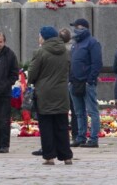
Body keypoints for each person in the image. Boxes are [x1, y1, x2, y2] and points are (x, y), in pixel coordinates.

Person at [28, 26, 73, 165]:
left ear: (44, 37)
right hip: (61, 93)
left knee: (46, 126)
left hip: (45, 94)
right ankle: (67, 156)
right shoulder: (65, 52)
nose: (38, 38)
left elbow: (32, 74)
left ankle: (49, 156)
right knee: (62, 125)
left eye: (40, 35)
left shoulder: (40, 52)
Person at [69, 18, 102, 148]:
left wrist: (90, 80)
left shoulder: (92, 43)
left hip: (87, 82)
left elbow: (97, 63)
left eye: (76, 27)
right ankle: (80, 137)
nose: (74, 30)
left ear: (82, 28)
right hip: (75, 82)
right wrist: (70, 80)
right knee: (79, 112)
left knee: (92, 111)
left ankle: (93, 138)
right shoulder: (75, 44)